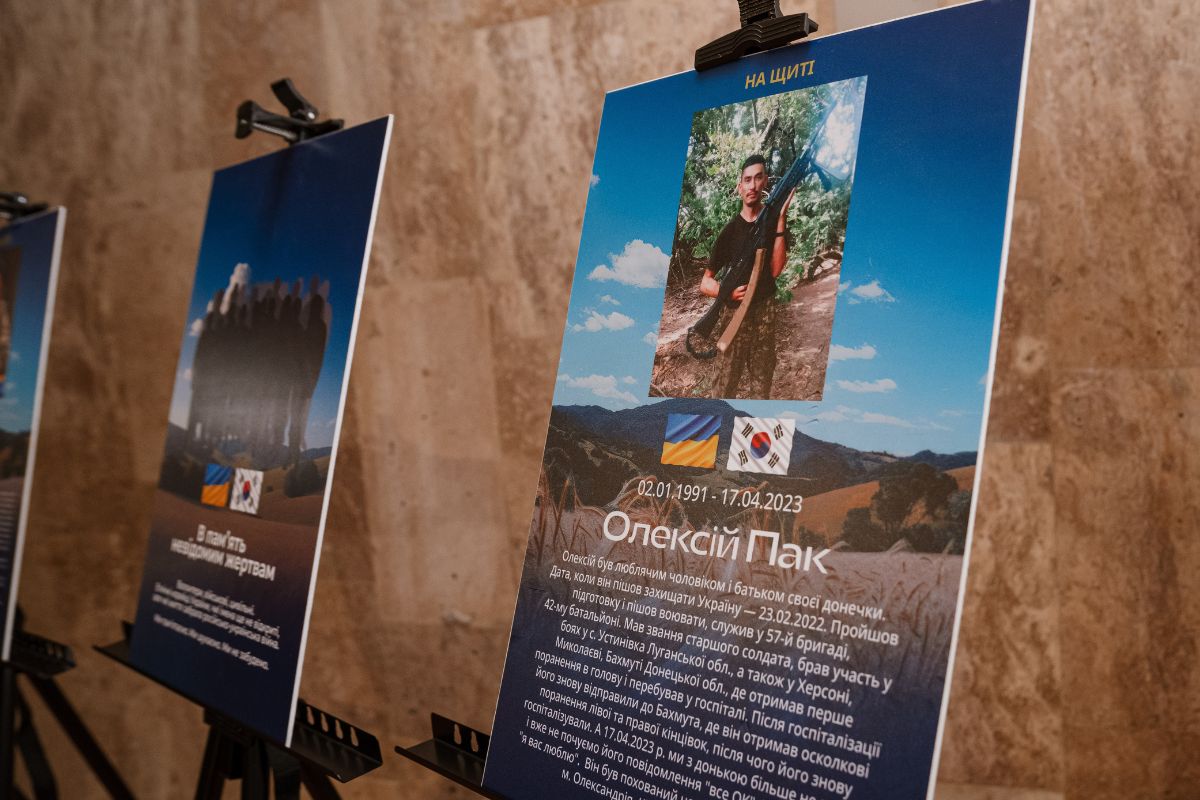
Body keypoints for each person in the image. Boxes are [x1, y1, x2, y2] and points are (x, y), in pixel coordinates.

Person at [699, 154, 794, 399]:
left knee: (761, 388)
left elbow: (775, 270)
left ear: (765, 182)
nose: (752, 186)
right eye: (747, 180)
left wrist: (780, 220)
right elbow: (705, 282)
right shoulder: (729, 232)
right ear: (740, 186)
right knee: (723, 389)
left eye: (758, 178)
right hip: (735, 317)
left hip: (764, 314)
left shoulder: (772, 224)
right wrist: (726, 292)